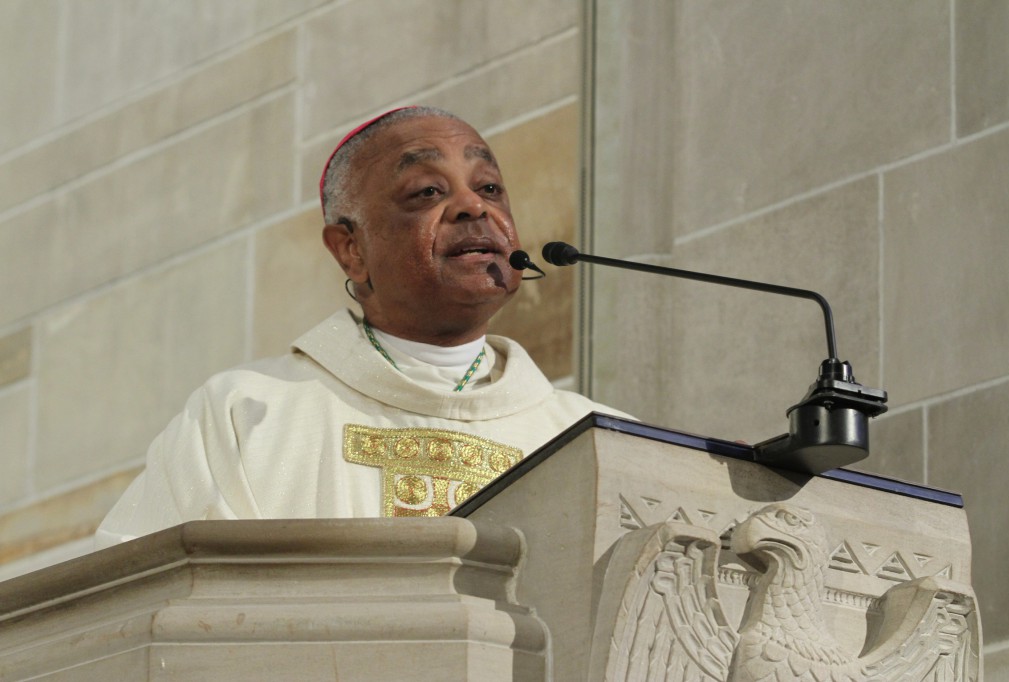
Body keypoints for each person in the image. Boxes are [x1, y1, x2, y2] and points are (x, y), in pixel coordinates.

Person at [95, 106, 627, 548]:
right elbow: (132, 610)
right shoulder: (247, 416)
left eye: (489, 188)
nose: (472, 206)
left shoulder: (596, 439)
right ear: (351, 249)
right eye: (426, 193)